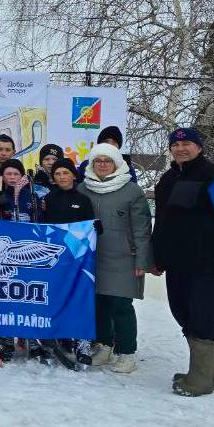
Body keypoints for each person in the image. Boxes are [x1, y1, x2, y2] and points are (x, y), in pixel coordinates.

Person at [152, 127, 214, 397]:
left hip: (207, 264)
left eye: (187, 144)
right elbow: (163, 221)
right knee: (183, 313)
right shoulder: (168, 179)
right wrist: (157, 257)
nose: (181, 148)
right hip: (177, 262)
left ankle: (201, 380)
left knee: (204, 316)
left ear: (199, 147)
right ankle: (211, 375)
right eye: (176, 145)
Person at [78, 144, 153, 374]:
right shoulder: (83, 188)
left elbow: (142, 229)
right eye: (98, 160)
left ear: (117, 163)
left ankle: (127, 353)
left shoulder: (131, 191)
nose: (102, 164)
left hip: (124, 258)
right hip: (93, 257)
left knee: (121, 306)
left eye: (107, 160)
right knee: (99, 304)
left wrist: (142, 260)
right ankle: (105, 347)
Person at [42, 157, 97, 366]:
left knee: (78, 296)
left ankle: (82, 342)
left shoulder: (83, 200)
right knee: (55, 296)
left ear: (73, 175)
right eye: (57, 174)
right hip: (54, 256)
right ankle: (57, 336)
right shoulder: (48, 199)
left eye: (65, 173)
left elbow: (89, 227)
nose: (62, 177)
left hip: (77, 257)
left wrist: (96, 229)